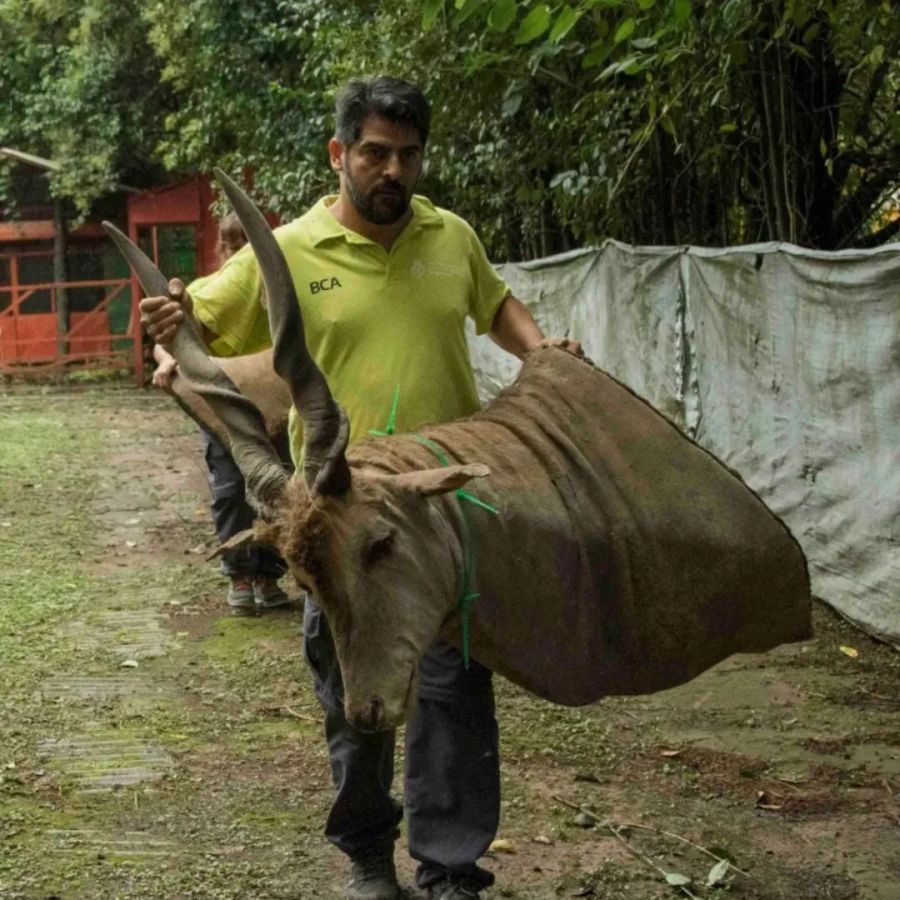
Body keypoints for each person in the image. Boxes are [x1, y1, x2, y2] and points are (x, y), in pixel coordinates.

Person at [141, 76, 581, 900]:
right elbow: (192, 318)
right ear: (339, 153)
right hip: (337, 522)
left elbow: (496, 307)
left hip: (442, 519)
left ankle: (451, 870)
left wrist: (543, 352)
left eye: (407, 155)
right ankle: (370, 857)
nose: (392, 169)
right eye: (375, 152)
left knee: (453, 693)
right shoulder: (292, 247)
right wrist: (169, 314)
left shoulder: (451, 237)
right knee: (355, 699)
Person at [150, 214, 290, 616]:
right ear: (217, 247)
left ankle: (270, 573)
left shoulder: (276, 288)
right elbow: (170, 339)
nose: (233, 248)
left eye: (241, 240)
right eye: (226, 242)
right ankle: (239, 573)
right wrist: (166, 361)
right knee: (230, 491)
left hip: (275, 404)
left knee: (278, 488)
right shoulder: (201, 291)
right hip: (223, 407)